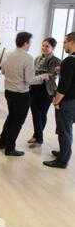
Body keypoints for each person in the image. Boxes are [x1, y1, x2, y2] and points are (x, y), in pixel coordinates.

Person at [0, 32, 50, 156]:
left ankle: (3, 143)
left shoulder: (7, 53)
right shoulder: (28, 58)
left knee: (11, 117)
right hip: (21, 95)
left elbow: (3, 71)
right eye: (30, 42)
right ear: (26, 43)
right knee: (17, 122)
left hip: (8, 92)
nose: (30, 45)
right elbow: (30, 80)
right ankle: (10, 148)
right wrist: (43, 77)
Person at [44, 32, 75, 168]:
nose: (63, 45)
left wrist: (56, 102)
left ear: (73, 42)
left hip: (67, 102)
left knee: (64, 131)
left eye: (65, 42)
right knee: (66, 129)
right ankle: (64, 152)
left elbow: (64, 86)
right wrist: (62, 71)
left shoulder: (69, 60)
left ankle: (62, 160)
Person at [28, 38, 61, 148]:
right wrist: (43, 73)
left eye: (47, 46)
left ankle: (37, 137)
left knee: (42, 114)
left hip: (48, 90)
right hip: (34, 88)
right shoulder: (37, 58)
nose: (44, 48)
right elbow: (33, 72)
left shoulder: (56, 60)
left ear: (52, 48)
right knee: (35, 113)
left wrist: (43, 73)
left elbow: (53, 74)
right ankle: (38, 137)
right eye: (43, 46)